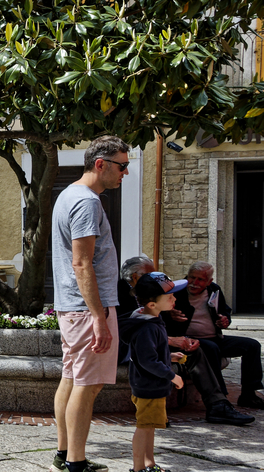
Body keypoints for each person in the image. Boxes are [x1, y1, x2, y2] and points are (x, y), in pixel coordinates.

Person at [50, 135, 126, 472]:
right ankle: (76, 464)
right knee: (87, 384)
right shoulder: (86, 202)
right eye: (122, 166)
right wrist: (99, 316)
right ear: (101, 164)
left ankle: (64, 455)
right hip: (87, 309)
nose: (125, 172)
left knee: (71, 377)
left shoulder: (69, 194)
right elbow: (82, 263)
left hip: (73, 306)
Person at [117, 255, 253, 425]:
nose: (155, 276)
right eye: (149, 274)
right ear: (135, 277)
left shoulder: (146, 291)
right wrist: (170, 341)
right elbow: (135, 331)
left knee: (203, 348)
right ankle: (216, 404)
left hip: (154, 344)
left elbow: (150, 321)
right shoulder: (122, 293)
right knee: (201, 350)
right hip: (131, 351)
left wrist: (169, 315)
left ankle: (219, 403)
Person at [166, 261, 264, 410]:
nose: (194, 283)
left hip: (214, 338)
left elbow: (225, 311)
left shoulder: (214, 290)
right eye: (192, 277)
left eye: (200, 279)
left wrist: (224, 320)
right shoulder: (177, 292)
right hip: (189, 340)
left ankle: (249, 395)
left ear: (209, 281)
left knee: (252, 345)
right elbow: (159, 313)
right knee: (211, 348)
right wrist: (169, 313)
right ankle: (220, 399)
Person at [118, 272, 185, 472]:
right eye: (170, 296)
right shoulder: (147, 327)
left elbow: (148, 354)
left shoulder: (151, 320)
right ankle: (139, 468)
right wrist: (173, 376)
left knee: (149, 426)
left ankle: (149, 464)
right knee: (145, 427)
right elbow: (148, 361)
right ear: (152, 305)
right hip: (149, 386)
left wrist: (169, 357)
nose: (174, 299)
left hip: (150, 385)